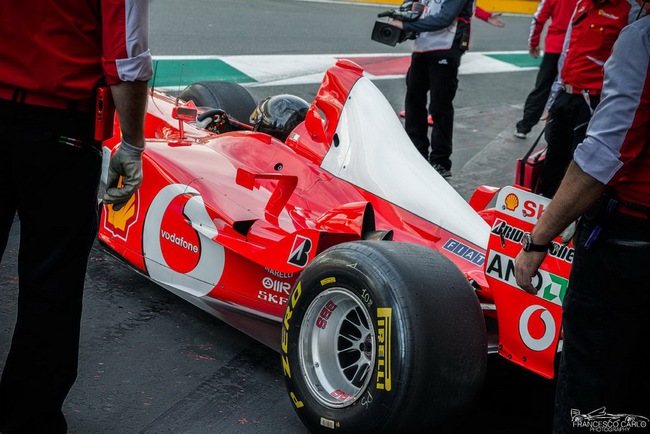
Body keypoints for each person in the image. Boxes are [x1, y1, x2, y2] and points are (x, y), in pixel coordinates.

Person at [0, 1, 153, 432]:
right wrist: (133, 144)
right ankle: (27, 422)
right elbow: (126, 54)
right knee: (52, 286)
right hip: (60, 128)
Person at [514, 14, 650, 433]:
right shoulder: (581, 11)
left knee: (591, 391)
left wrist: (537, 242)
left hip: (628, 236)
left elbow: (603, 156)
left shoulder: (640, 35)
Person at [537, 0, 642, 198]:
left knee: (581, 167)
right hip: (565, 95)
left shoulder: (631, 10)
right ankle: (542, 210)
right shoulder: (581, 4)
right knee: (553, 158)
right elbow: (566, 54)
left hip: (593, 103)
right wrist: (553, 100)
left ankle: (574, 220)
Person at [390, 0, 475, 178]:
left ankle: (441, 162)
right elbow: (416, 8)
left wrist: (406, 24)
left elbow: (445, 17)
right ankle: (416, 152)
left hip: (445, 48)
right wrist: (402, 16)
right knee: (413, 101)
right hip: (421, 48)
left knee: (439, 107)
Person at [514, 0, 578, 139]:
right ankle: (562, 132)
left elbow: (539, 18)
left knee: (542, 88)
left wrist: (533, 43)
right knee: (571, 91)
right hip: (575, 48)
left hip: (555, 47)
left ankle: (524, 127)